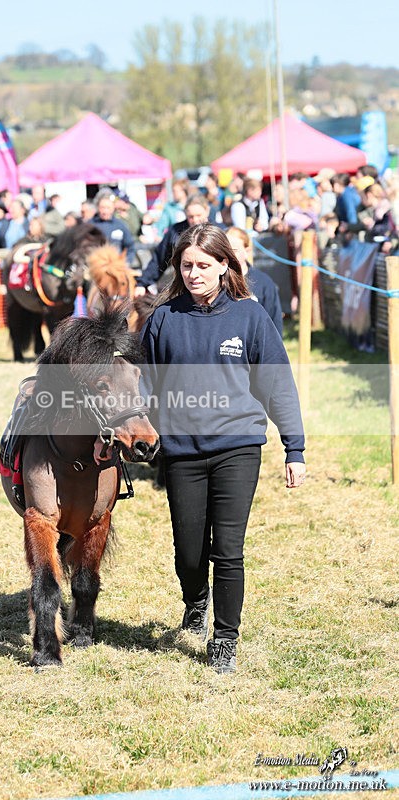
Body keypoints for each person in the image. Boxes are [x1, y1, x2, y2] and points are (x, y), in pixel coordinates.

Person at [140, 223, 305, 674]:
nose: (193, 274)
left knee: (227, 549)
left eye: (203, 266)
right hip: (182, 451)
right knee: (189, 552)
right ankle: (195, 601)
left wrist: (295, 449)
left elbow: (277, 386)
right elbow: (144, 387)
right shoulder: (163, 319)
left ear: (225, 266)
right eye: (186, 265)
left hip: (238, 447)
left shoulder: (251, 319)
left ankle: (224, 639)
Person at [135, 193, 213, 295]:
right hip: (184, 286)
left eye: (198, 215)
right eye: (191, 217)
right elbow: (159, 259)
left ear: (207, 211)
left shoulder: (218, 231)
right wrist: (142, 283)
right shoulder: (175, 232)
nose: (195, 220)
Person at [225, 226, 283, 336]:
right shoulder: (216, 280)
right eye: (224, 251)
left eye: (233, 251)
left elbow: (274, 320)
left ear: (247, 251)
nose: (228, 256)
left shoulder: (263, 282)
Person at [91, 194, 136, 264]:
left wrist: (126, 263)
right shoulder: (90, 225)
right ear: (98, 208)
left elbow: (130, 246)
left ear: (113, 208)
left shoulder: (120, 225)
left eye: (108, 208)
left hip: (116, 265)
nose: (105, 211)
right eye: (102, 208)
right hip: (96, 265)